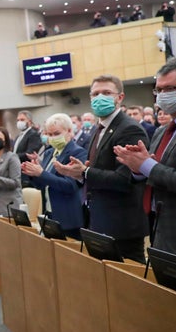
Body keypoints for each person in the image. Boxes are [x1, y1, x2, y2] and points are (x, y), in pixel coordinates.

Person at [54, 74, 148, 264]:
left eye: (106, 93)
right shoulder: (99, 129)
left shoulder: (128, 129)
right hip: (99, 220)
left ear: (119, 97)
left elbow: (124, 179)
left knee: (127, 286)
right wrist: (78, 174)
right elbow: (94, 172)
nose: (99, 98)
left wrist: (85, 172)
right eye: (95, 94)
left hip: (122, 225)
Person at [114, 57, 176, 257]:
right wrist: (138, 168)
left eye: (170, 89)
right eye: (159, 90)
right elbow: (156, 175)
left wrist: (147, 165)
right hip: (161, 231)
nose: (162, 96)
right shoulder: (162, 131)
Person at [21, 114, 88, 239]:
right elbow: (42, 185)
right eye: (49, 134)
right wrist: (33, 174)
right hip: (49, 212)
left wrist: (42, 173)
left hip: (67, 216)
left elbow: (70, 186)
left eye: (56, 133)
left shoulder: (77, 153)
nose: (52, 138)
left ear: (69, 131)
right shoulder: (49, 153)